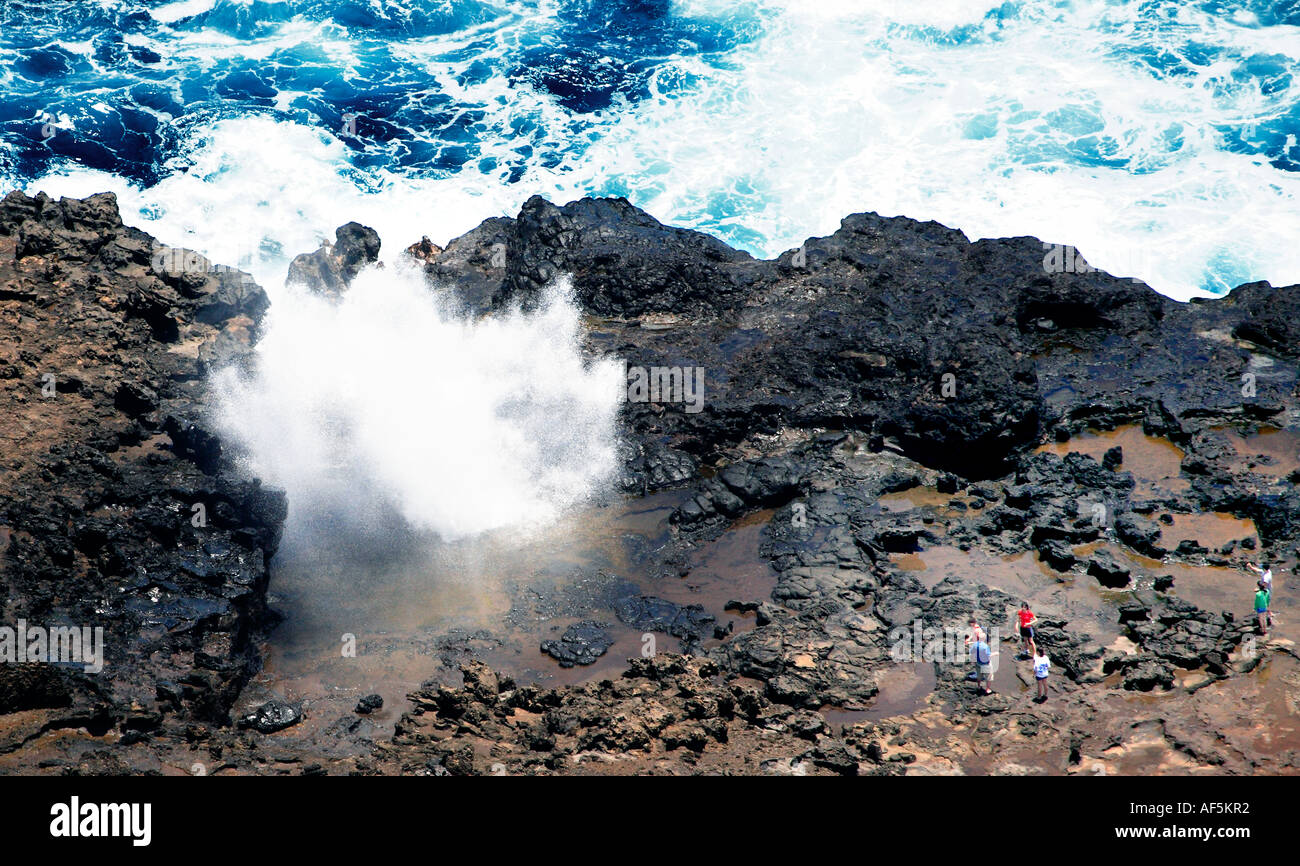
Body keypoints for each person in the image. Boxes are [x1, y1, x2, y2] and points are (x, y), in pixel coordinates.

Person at [1248, 563, 1275, 628]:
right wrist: (1251, 567)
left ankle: (1268, 613)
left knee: (1266, 602)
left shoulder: (1266, 577)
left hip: (1267, 590)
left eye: (1262, 567)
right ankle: (1269, 612)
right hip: (1265, 589)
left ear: (1264, 569)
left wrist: (1258, 590)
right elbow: (1258, 570)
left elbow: (1264, 585)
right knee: (1267, 602)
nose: (1261, 568)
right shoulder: (1266, 571)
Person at [972, 629, 994, 696]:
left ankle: (979, 686)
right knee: (989, 676)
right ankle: (987, 689)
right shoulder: (985, 646)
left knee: (979, 675)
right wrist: (995, 654)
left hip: (978, 662)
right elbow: (988, 655)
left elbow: (972, 653)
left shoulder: (975, 644)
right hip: (985, 664)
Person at [965, 618, 986, 682]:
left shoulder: (977, 630)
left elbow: (980, 640)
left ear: (972, 623)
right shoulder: (976, 628)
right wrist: (969, 639)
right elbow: (973, 635)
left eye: (970, 624)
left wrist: (971, 642)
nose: (969, 625)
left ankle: (979, 675)